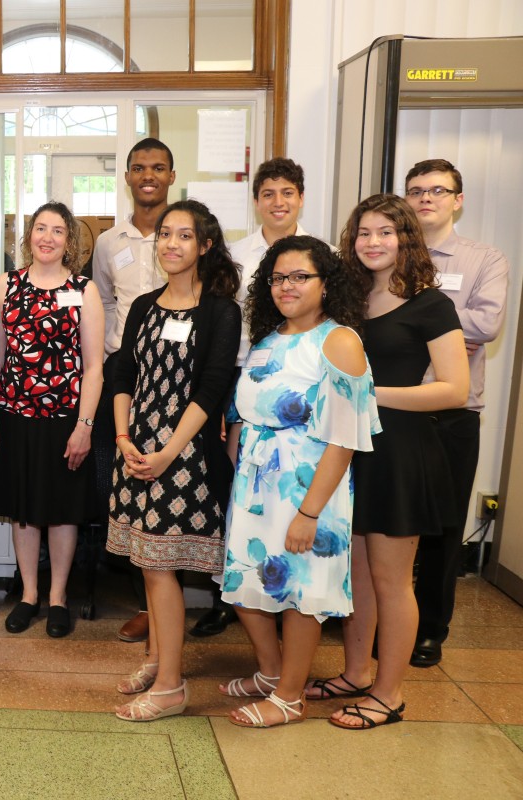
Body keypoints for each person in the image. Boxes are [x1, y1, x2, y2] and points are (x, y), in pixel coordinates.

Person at [307, 194, 469, 730]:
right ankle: (356, 674)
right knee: (356, 574)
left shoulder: (431, 304)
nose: (373, 243)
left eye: (385, 232)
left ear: (406, 239)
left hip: (401, 454)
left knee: (391, 580)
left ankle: (389, 693)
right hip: (350, 453)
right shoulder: (349, 303)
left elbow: (454, 389)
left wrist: (372, 394)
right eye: (363, 233)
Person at [218, 236, 379, 728]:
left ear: (325, 284)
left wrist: (309, 512)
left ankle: (289, 697)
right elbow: (244, 414)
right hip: (257, 487)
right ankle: (271, 673)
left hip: (309, 487)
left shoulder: (339, 340)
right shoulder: (269, 339)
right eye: (277, 278)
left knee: (300, 592)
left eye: (299, 277)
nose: (286, 287)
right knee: (248, 583)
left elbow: (344, 439)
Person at [109, 199, 240, 721]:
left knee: (163, 567)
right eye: (165, 235)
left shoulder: (221, 310)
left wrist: (166, 453)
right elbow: (123, 376)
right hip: (136, 448)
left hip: (184, 456)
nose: (171, 244)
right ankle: (157, 656)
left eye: (184, 236)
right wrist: (123, 438)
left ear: (204, 246)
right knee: (146, 561)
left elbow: (211, 391)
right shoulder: (143, 305)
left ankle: (170, 686)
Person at [191, 157, 314, 639]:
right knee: (237, 490)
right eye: (268, 194)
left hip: (300, 386)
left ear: (300, 197)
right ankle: (232, 594)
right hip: (243, 380)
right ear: (256, 201)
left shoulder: (319, 253)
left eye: (287, 193)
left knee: (291, 493)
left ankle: (293, 598)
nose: (278, 202)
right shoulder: (237, 258)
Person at [404, 159, 510, 668]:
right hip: (395, 409)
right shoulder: (386, 254)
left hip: (454, 414)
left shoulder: (485, 258)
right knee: (388, 524)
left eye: (438, 191)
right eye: (417, 191)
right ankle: (385, 624)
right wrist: (446, 331)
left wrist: (416, 321)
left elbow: (486, 324)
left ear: (457, 200)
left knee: (444, 528)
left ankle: (430, 630)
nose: (426, 199)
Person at [0, 201, 105, 639]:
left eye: (57, 230)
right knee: (23, 511)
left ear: (69, 241)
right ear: (29, 236)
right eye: (40, 228)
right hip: (14, 416)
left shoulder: (84, 290)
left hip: (64, 420)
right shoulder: (6, 285)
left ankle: (58, 597)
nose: (47, 237)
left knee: (61, 513)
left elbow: (94, 367)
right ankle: (29, 595)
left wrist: (84, 426)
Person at [91, 138, 177, 644]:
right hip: (124, 377)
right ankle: (147, 600)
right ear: (127, 176)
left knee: (170, 484)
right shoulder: (108, 241)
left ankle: (169, 598)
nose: (148, 175)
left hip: (174, 375)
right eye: (139, 168)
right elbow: (101, 298)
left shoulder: (186, 230)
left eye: (158, 168)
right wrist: (107, 362)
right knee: (124, 484)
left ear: (171, 175)